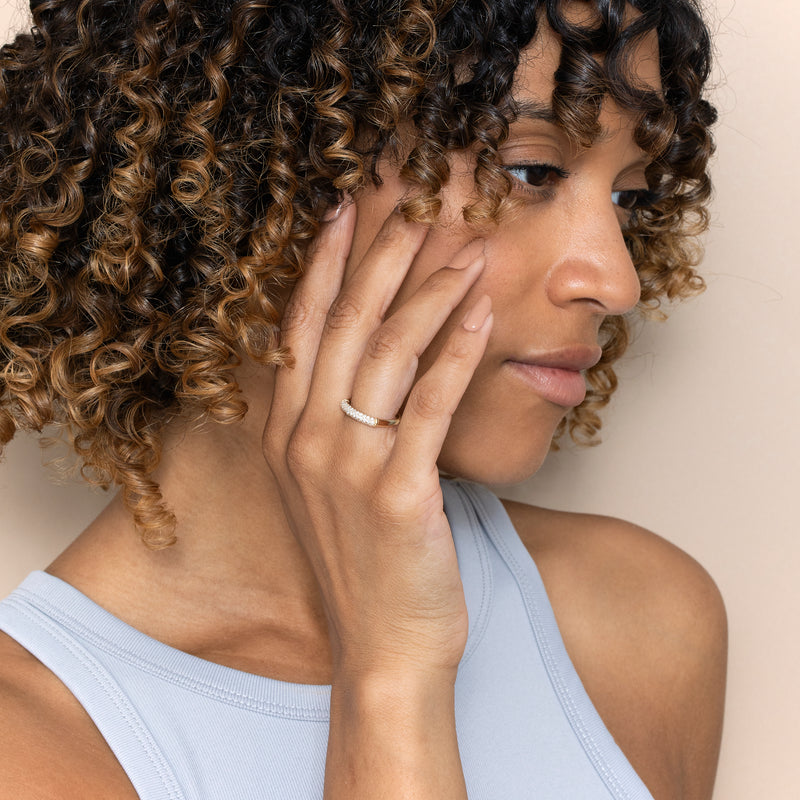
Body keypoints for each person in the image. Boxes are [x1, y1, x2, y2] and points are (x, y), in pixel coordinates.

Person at [0, 0, 727, 797]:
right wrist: (390, 674)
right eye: (532, 171)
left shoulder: (642, 621)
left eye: (627, 196)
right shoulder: (31, 742)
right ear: (262, 178)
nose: (616, 282)